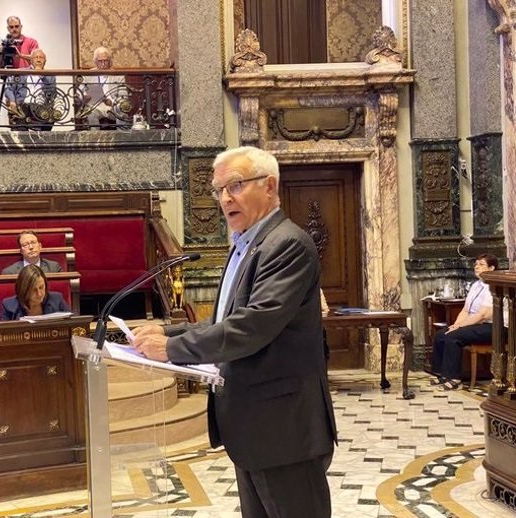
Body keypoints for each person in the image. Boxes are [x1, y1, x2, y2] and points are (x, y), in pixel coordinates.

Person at [131, 146, 337, 517]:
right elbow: (224, 320)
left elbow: (252, 327)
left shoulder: (286, 244)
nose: (225, 198)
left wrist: (172, 349)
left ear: (270, 186)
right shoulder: (247, 244)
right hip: (253, 426)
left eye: (236, 185)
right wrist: (168, 331)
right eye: (219, 190)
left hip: (284, 429)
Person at [431, 253, 498, 390]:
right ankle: (441, 375)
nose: (476, 267)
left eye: (481, 264)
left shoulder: (494, 286)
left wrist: (461, 326)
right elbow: (466, 310)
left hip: (492, 326)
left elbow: (484, 315)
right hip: (475, 324)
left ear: (492, 268)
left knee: (453, 336)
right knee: (442, 334)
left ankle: (455, 379)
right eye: (476, 264)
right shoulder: (476, 285)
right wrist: (456, 324)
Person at [5, 49, 57, 131]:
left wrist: (43, 77)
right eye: (36, 57)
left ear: (45, 61)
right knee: (21, 115)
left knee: (51, 115)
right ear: (31, 60)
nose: (39, 59)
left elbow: (53, 94)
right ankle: (23, 138)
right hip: (23, 105)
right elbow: (9, 89)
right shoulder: (21, 73)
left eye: (41, 57)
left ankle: (40, 140)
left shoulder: (49, 76)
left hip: (40, 106)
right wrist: (12, 101)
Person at [78, 46, 130, 129]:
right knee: (91, 114)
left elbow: (124, 97)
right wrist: (84, 97)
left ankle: (122, 138)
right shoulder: (88, 74)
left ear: (109, 61)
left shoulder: (118, 75)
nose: (103, 64)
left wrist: (112, 102)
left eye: (105, 60)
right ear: (95, 62)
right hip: (95, 106)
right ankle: (95, 140)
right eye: (100, 61)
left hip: (112, 107)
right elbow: (79, 92)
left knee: (121, 111)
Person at [0, 264, 70, 320]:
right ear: (24, 289)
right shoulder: (8, 306)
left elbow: (72, 325)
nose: (39, 294)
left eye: (41, 287)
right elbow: (3, 334)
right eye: (34, 290)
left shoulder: (57, 300)